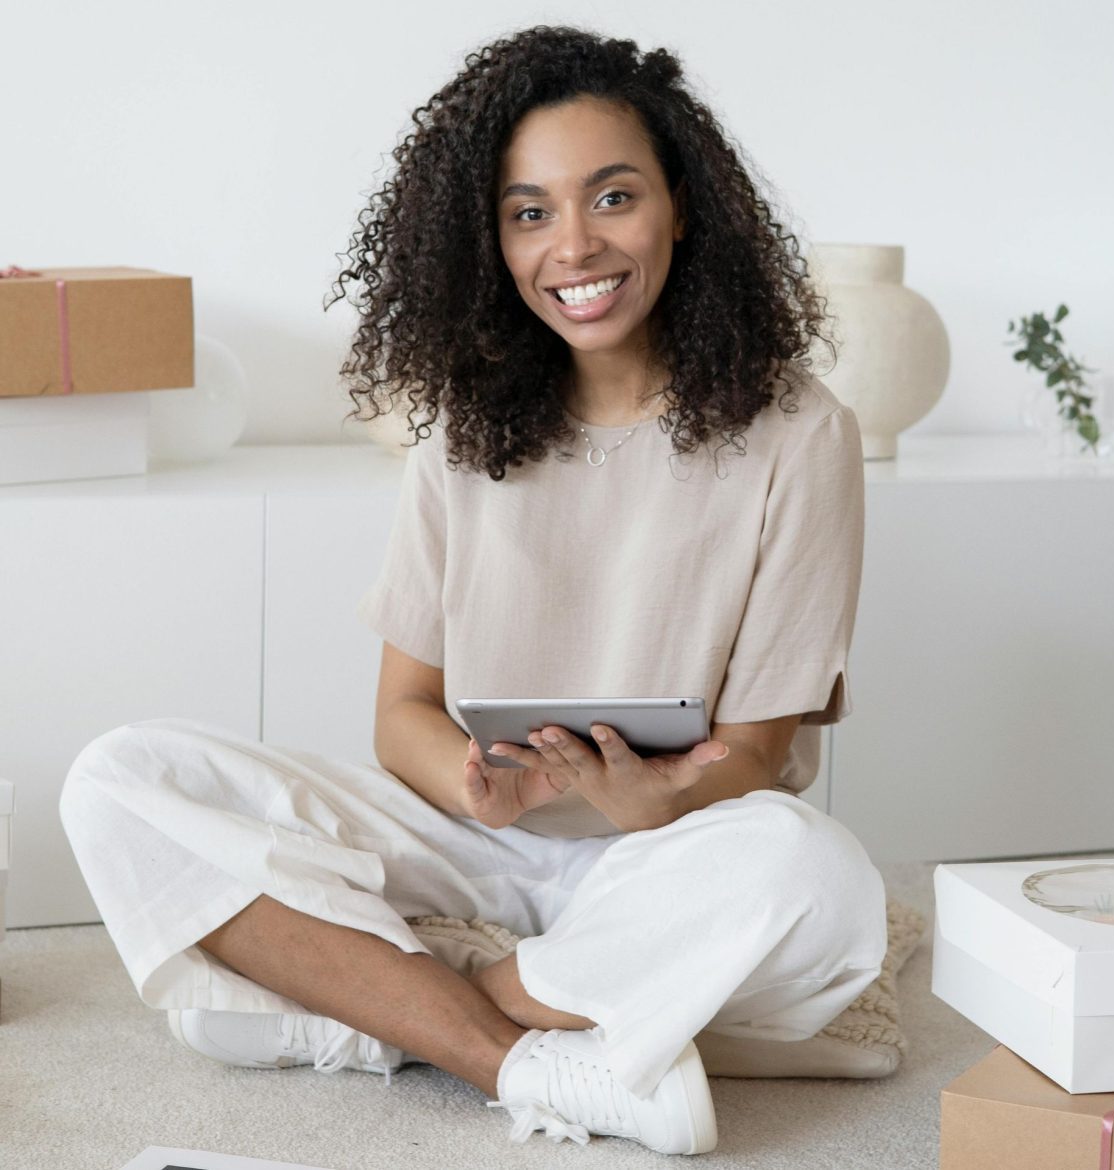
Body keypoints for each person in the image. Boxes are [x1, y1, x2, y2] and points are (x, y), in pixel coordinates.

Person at [59, 25, 886, 1156]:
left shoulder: (799, 433)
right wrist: (472, 782)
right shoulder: (463, 431)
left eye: (613, 197)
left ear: (682, 207)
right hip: (475, 839)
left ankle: (397, 1000)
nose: (574, 245)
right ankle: (538, 1051)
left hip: (671, 855)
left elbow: (752, 752)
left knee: (817, 873)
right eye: (529, 212)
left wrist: (653, 803)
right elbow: (401, 714)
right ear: (489, 239)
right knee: (120, 777)